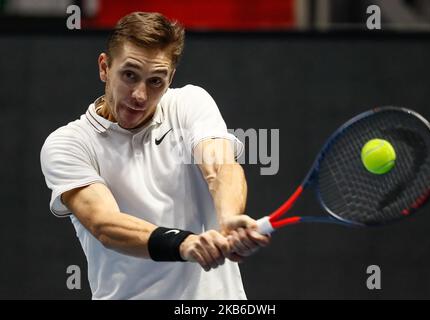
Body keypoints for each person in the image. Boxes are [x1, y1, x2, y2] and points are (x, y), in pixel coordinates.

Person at [40, 12, 270, 300]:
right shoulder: (68, 144)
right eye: (129, 75)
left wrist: (229, 219)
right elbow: (105, 224)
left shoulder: (190, 103)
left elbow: (220, 166)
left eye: (155, 81)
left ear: (170, 78)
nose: (139, 94)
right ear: (104, 67)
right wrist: (184, 244)